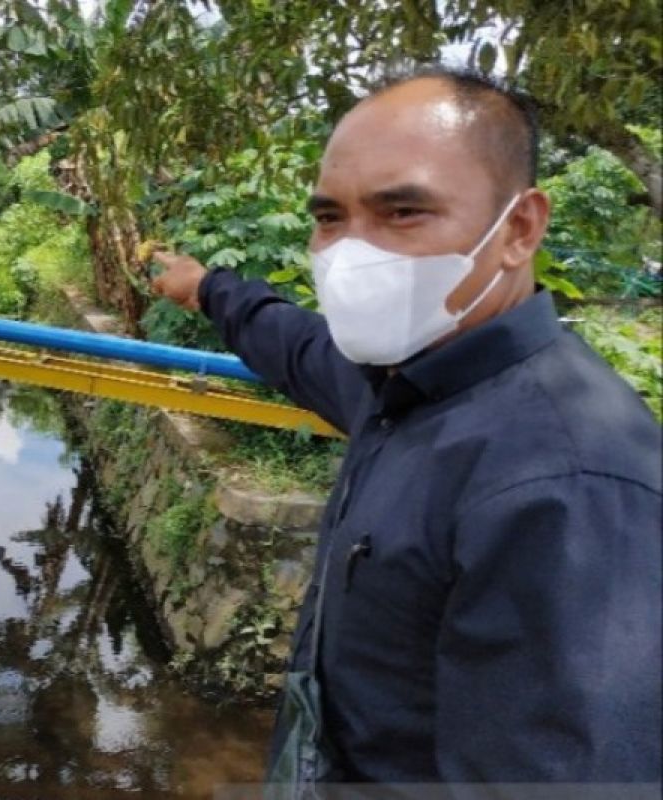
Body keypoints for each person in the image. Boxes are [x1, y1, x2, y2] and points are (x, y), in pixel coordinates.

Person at [151, 66, 662, 790]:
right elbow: (295, 345)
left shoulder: (567, 484)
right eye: (330, 218)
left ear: (519, 228)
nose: (353, 254)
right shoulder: (404, 385)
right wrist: (205, 289)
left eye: (403, 213)